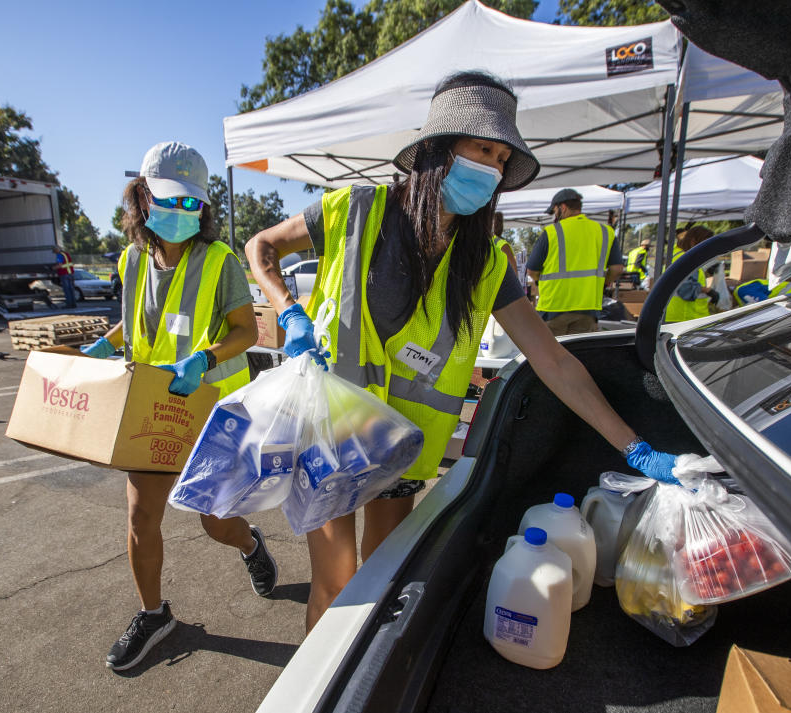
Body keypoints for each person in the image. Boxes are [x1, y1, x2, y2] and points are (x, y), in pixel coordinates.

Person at [246, 71, 682, 633]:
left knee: (375, 587)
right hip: (330, 432)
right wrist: (287, 308)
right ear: (435, 150)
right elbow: (261, 247)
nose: (494, 169)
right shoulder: (356, 209)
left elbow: (555, 362)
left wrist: (636, 446)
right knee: (336, 584)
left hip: (398, 446)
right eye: (483, 149)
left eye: (502, 159)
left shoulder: (488, 261)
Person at [81, 142, 278, 671]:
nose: (183, 214)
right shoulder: (131, 258)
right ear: (143, 199)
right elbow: (142, 317)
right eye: (171, 202)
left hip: (210, 407)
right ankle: (154, 615)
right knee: (142, 515)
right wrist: (108, 341)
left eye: (192, 205)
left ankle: (250, 546)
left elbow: (243, 330)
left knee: (216, 522)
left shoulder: (219, 260)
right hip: (150, 406)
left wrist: (203, 359)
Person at [525, 189, 623, 336]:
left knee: (550, 356)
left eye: (554, 211)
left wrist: (541, 281)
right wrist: (600, 283)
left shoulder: (552, 232)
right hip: (588, 309)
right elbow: (616, 270)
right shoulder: (605, 232)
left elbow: (532, 271)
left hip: (553, 307)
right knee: (576, 355)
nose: (554, 215)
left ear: (562, 207)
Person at [665, 225, 720, 322]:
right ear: (693, 241)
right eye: (705, 244)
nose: (707, 249)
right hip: (686, 317)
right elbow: (686, 288)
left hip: (680, 316)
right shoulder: (688, 259)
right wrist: (708, 291)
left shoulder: (678, 255)